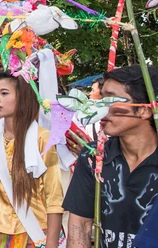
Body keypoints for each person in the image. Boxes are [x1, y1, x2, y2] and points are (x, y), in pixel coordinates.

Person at [63, 65, 158, 248]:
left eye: (111, 100)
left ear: (146, 109)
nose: (100, 108)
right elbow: (80, 226)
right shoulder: (94, 157)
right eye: (102, 98)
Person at [0, 71, 63, 248]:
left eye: (4, 93)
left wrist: (52, 245)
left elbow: (54, 199)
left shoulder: (42, 138)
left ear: (22, 97)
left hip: (35, 234)